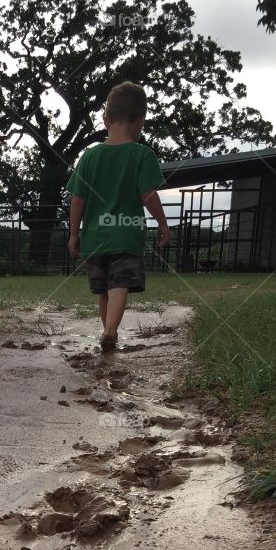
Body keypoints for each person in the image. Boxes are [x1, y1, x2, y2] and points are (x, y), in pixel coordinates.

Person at [66, 81, 170, 351]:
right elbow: (149, 196)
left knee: (103, 290)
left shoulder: (89, 157)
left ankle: (107, 331)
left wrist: (74, 233)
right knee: (119, 285)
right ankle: (111, 330)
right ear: (141, 122)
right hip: (126, 234)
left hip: (95, 238)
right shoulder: (142, 155)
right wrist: (162, 223)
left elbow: (77, 200)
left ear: (106, 119)